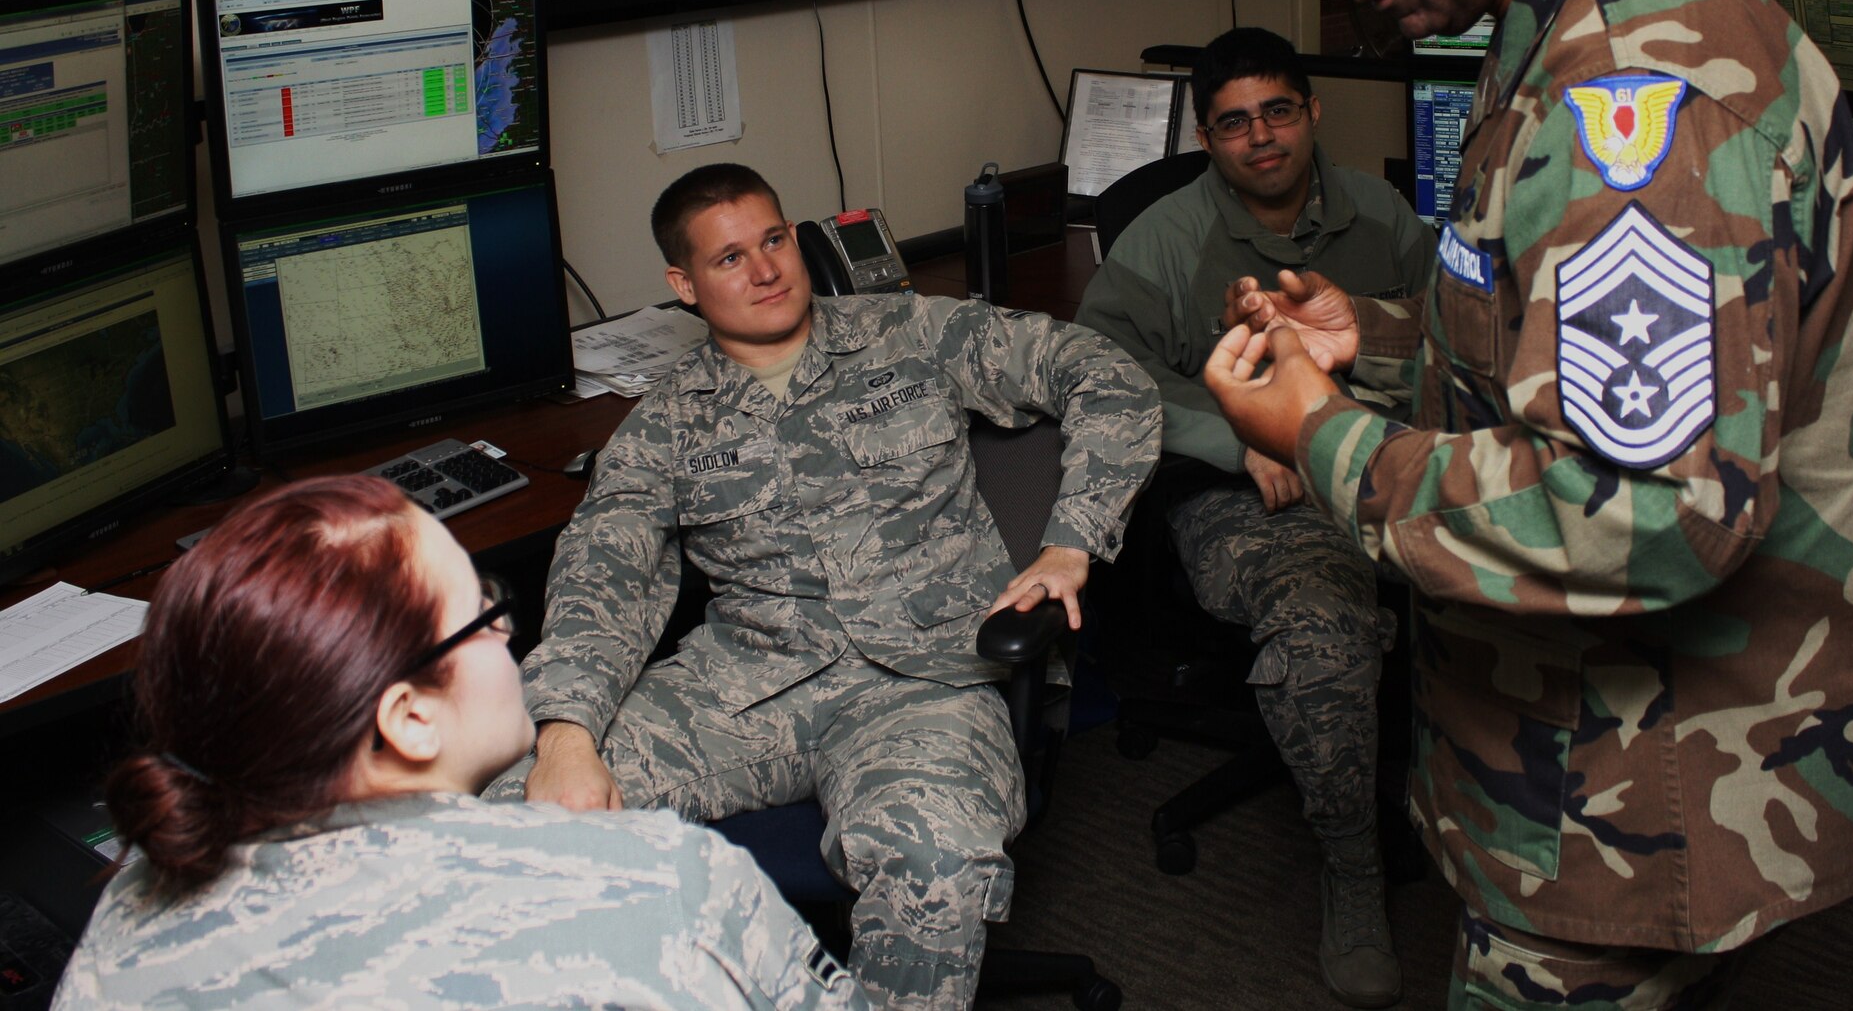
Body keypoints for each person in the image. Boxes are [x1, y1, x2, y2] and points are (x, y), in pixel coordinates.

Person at [1200, 0, 1853, 1009]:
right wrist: (1384, 344)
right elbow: (1574, 346)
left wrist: (1325, 436)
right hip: (1591, 774)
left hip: (1636, 802)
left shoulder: (1633, 87)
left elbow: (1643, 507)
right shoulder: (1572, 11)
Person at [490, 163, 1161, 1011]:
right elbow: (602, 574)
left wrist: (1071, 542)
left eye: (774, 240)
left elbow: (1104, 373)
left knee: (936, 860)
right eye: (729, 258)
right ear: (683, 285)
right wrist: (566, 733)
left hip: (928, 678)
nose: (766, 270)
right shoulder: (664, 422)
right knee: (514, 824)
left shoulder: (910, 333)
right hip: (746, 684)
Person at [54, 475, 867, 1010]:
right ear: (409, 716)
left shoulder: (129, 911)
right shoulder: (665, 888)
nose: (509, 628)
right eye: (481, 612)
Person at [1075, 25, 1431, 1007]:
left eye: (1277, 111)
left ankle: (1490, 815)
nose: (1260, 138)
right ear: (1205, 137)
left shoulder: (1376, 214)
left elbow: (1444, 328)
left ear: (1311, 111)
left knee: (1514, 565)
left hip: (1376, 460)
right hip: (1241, 493)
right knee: (1321, 624)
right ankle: (1350, 866)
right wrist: (1225, 437)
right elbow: (1092, 373)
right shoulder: (1168, 239)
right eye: (1232, 123)